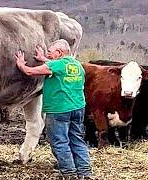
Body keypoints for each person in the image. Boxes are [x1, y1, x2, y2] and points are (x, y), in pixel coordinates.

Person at [14, 39, 92, 179]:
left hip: (59, 110)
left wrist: (21, 64)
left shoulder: (57, 65)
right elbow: (57, 66)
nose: (49, 55)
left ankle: (69, 173)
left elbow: (30, 72)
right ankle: (85, 172)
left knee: (60, 141)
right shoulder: (77, 64)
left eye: (50, 52)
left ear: (59, 52)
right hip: (78, 108)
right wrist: (43, 58)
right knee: (77, 140)